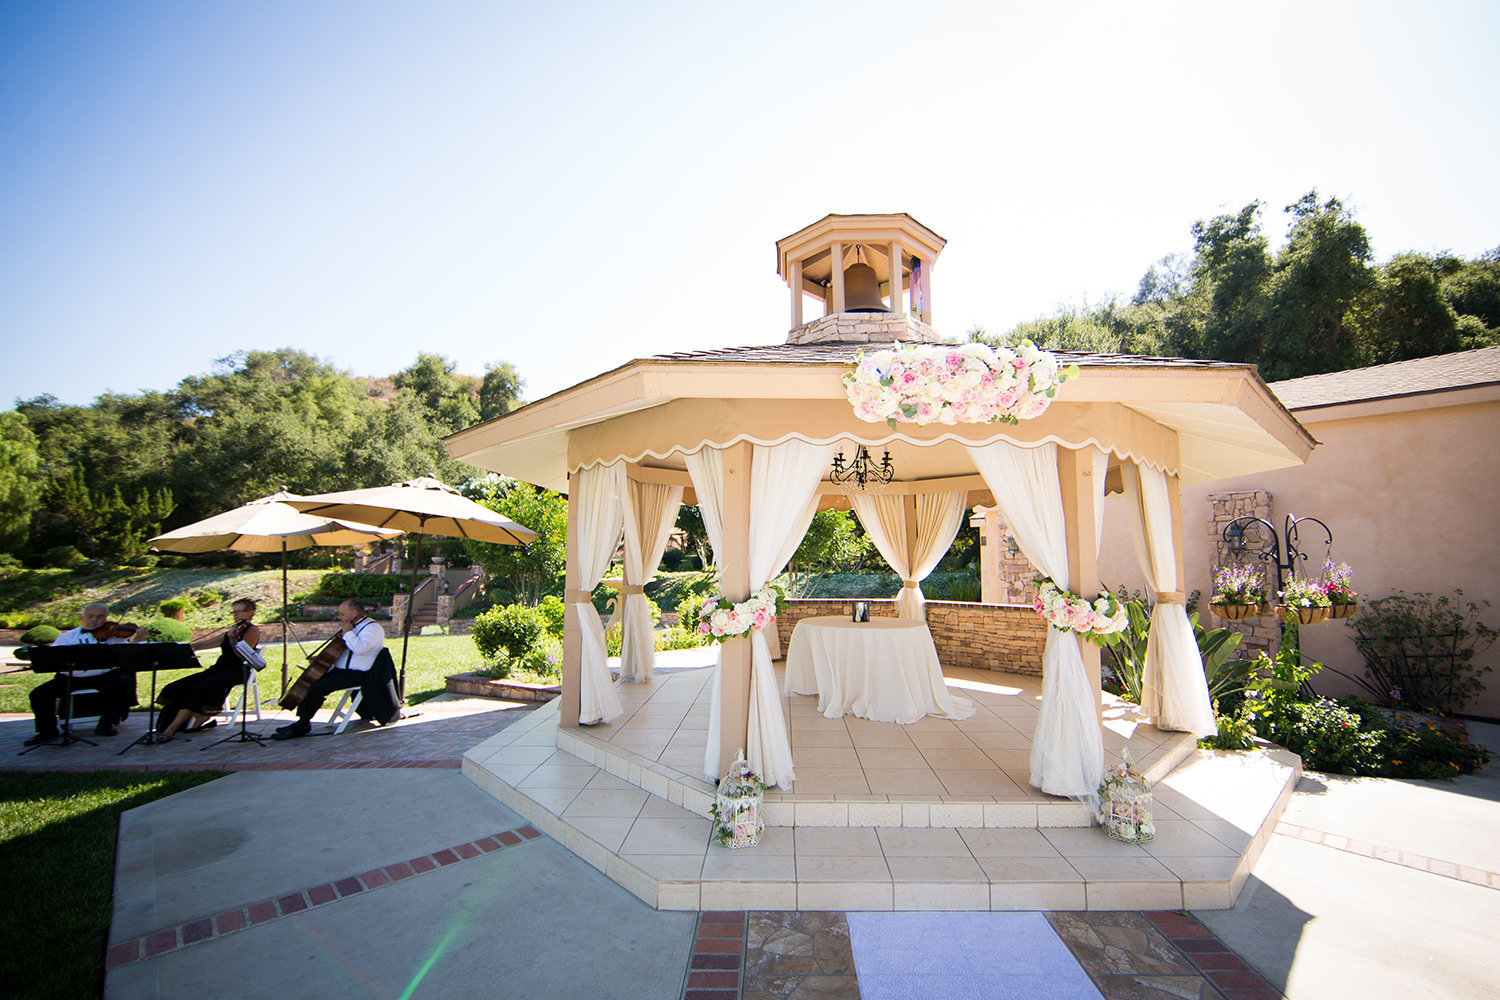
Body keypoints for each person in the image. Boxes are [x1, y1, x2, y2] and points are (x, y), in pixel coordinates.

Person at [24, 603, 141, 745]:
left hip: (103, 677)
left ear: (106, 618)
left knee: (123, 682)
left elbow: (129, 656)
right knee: (38, 694)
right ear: (82, 617)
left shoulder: (115, 637)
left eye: (99, 617)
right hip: (70, 678)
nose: (94, 620)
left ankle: (106, 724)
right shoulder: (67, 637)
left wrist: (137, 639)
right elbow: (54, 659)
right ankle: (48, 731)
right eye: (90, 616)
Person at [272, 599, 385, 740]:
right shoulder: (352, 626)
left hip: (359, 674)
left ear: (354, 612)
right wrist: (323, 659)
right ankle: (301, 721)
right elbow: (342, 651)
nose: (340, 617)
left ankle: (302, 725)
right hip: (341, 670)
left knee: (318, 687)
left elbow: (360, 649)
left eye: (342, 614)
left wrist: (348, 633)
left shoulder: (372, 628)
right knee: (311, 682)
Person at [153, 598, 262, 739]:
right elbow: (203, 644)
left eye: (239, 611)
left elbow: (241, 654)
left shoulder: (252, 630)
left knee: (200, 689)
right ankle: (168, 726)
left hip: (237, 671)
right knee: (177, 687)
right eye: (233, 612)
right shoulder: (232, 631)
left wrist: (233, 640)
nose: (235, 615)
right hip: (218, 669)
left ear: (250, 612)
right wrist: (181, 648)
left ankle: (172, 729)